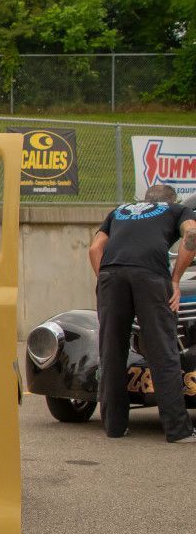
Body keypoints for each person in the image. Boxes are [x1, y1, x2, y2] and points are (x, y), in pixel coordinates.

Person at [89, 183, 196, 443]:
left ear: (144, 199)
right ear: (173, 199)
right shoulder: (176, 209)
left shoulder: (121, 210)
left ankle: (114, 427)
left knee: (111, 351)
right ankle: (178, 430)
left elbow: (94, 249)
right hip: (150, 276)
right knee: (163, 351)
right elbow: (192, 235)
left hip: (111, 275)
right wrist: (175, 280)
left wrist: (105, 279)